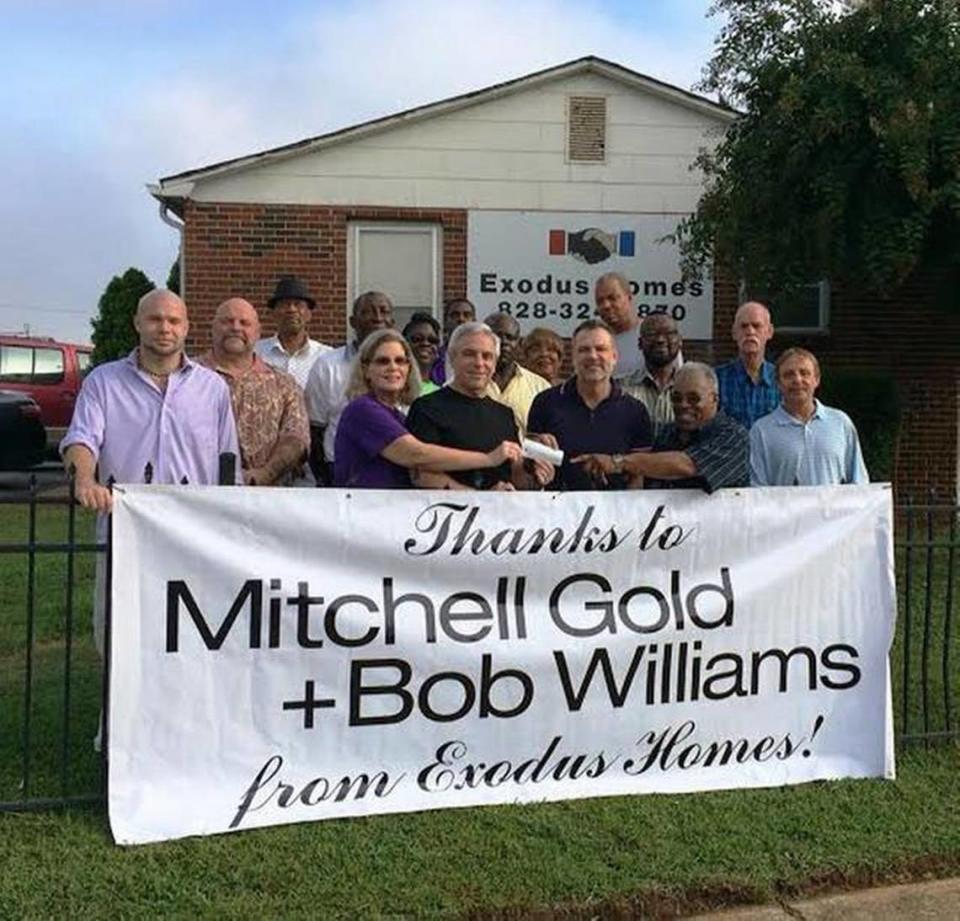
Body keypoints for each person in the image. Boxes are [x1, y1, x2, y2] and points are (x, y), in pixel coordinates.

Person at [61, 289, 240, 661]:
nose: (165, 328)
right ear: (138, 323)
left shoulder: (213, 389)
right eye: (156, 319)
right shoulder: (104, 383)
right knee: (118, 639)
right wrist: (85, 480)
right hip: (124, 530)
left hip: (193, 534)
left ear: (187, 328)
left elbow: (228, 464)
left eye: (174, 321)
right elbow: (82, 439)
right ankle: (117, 718)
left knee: (190, 636)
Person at [334, 329, 521, 488]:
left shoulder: (398, 417)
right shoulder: (362, 410)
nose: (393, 368)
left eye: (400, 361)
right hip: (363, 517)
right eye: (383, 361)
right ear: (365, 369)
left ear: (409, 368)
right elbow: (416, 455)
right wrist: (488, 459)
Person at [407, 321, 550, 490]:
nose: (479, 363)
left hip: (499, 513)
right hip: (446, 514)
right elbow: (420, 475)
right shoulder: (426, 408)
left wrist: (537, 473)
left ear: (495, 363)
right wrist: (479, 498)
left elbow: (514, 476)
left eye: (487, 356)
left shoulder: (504, 414)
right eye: (469, 354)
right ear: (451, 358)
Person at [574, 362, 749, 492]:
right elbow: (644, 476)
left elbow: (686, 465)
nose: (684, 405)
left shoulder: (733, 436)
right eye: (676, 398)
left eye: (694, 398)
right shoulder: (667, 434)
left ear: (714, 399)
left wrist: (617, 462)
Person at [527, 320, 652, 491]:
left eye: (600, 349)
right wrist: (535, 458)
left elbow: (639, 477)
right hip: (557, 512)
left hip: (616, 514)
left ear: (614, 357)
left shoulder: (635, 411)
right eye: (584, 350)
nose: (593, 356)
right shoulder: (545, 403)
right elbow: (530, 469)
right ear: (573, 357)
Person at [199, 298, 309, 486]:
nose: (235, 327)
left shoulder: (283, 384)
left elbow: (297, 439)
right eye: (227, 321)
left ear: (258, 332)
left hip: (267, 500)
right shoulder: (186, 378)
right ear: (213, 327)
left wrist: (264, 474)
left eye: (244, 323)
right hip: (198, 495)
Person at [304, 291, 393, 483]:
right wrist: (324, 479)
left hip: (393, 471)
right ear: (353, 322)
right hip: (340, 473)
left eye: (383, 311)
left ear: (392, 321)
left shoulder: (403, 366)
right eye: (368, 312)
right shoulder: (327, 365)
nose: (377, 318)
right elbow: (315, 429)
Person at [750, 348, 869, 486]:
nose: (797, 380)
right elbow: (757, 490)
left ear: (816, 380)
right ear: (778, 383)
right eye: (789, 375)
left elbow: (858, 481)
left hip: (833, 508)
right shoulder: (762, 430)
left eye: (804, 373)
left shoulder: (840, 423)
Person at [254, 275, 331, 388]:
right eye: (285, 304)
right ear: (273, 314)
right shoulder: (256, 353)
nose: (291, 310)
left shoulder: (326, 357)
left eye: (298, 304)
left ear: (309, 314)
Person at [484, 312, 550, 437]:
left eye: (510, 337)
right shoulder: (465, 384)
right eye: (497, 336)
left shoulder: (540, 388)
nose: (504, 342)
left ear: (519, 344)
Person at [715, 301, 780, 428]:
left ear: (769, 332)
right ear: (734, 333)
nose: (750, 331)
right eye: (744, 326)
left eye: (756, 326)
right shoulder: (716, 380)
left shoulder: (781, 379)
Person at [622, 313, 684, 435]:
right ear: (640, 343)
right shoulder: (621, 389)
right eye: (651, 334)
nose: (660, 340)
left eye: (668, 333)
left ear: (680, 341)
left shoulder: (693, 388)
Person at [593, 272, 643, 378]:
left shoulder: (653, 335)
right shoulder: (595, 341)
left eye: (612, 298)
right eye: (600, 301)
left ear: (629, 298)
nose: (606, 305)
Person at [429, 297, 476, 385]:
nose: (461, 319)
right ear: (445, 321)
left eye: (467, 315)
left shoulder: (482, 359)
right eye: (455, 315)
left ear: (474, 321)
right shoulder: (434, 358)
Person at [402, 312, 442, 395]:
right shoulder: (394, 388)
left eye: (432, 340)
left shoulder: (441, 394)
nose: (425, 343)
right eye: (417, 339)